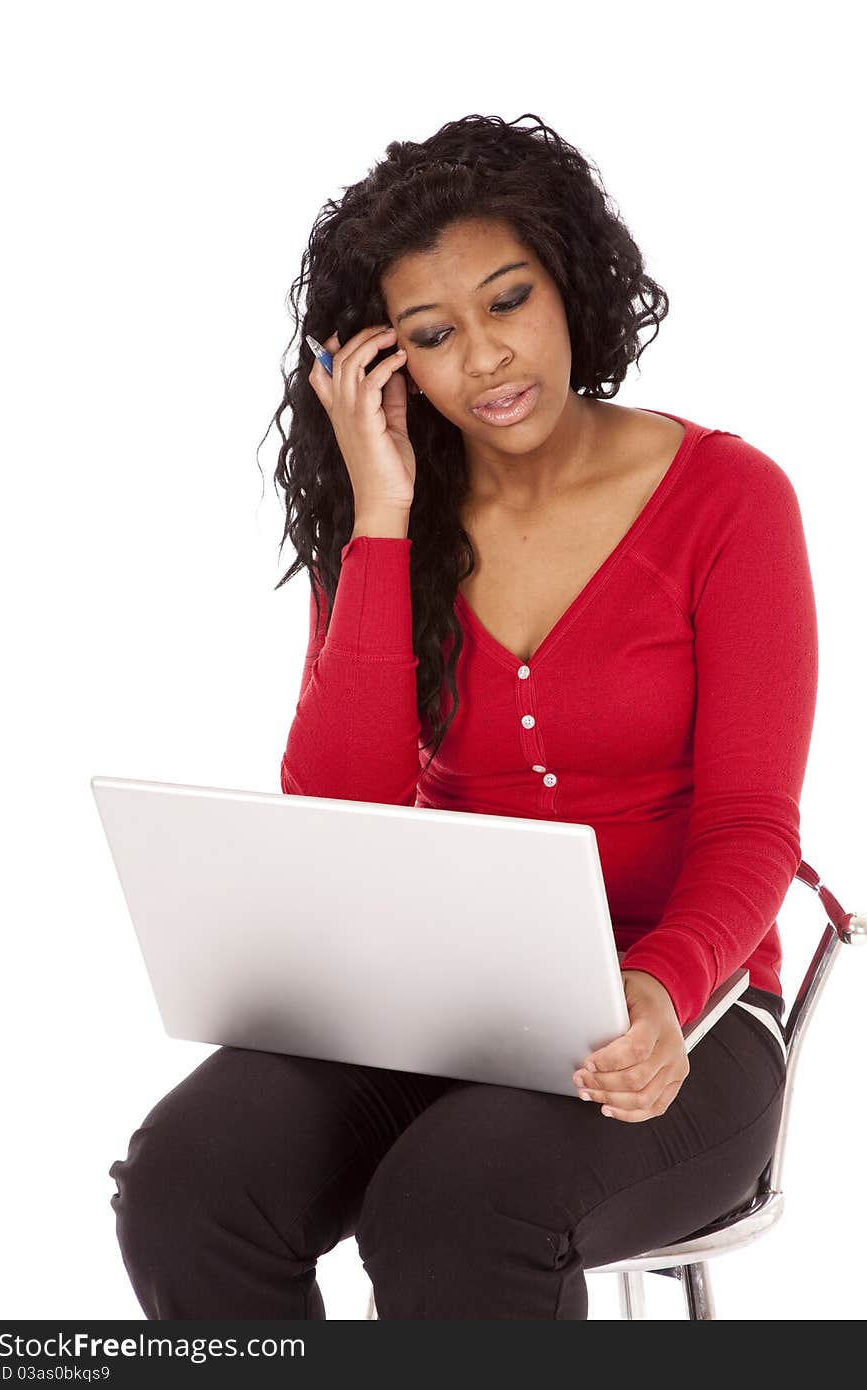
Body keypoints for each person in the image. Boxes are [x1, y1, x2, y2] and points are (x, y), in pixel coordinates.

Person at [108, 112, 817, 1320]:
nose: (485, 359)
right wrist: (378, 522)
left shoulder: (727, 501)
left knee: (457, 1201)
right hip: (429, 1007)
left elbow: (754, 823)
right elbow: (343, 815)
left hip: (681, 1019)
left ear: (570, 283)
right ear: (388, 362)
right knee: (185, 1185)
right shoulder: (389, 522)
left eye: (508, 301)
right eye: (434, 335)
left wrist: (657, 986)